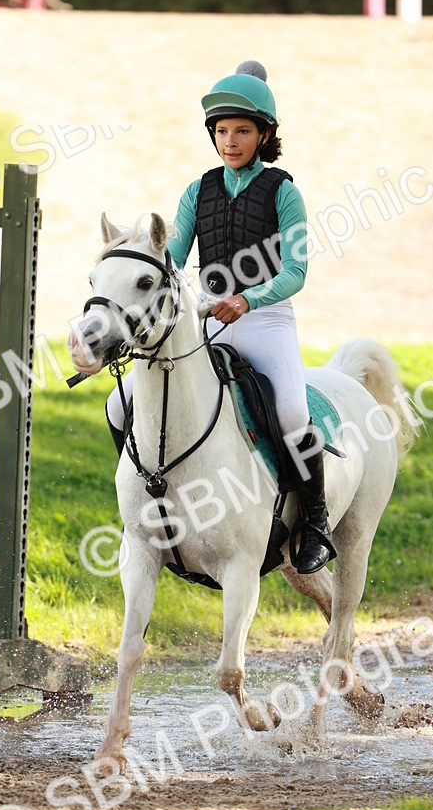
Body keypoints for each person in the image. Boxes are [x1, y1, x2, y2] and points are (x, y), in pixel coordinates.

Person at [105, 60, 336, 576]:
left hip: (266, 319)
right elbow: (173, 259)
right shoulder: (197, 191)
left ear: (264, 134)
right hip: (206, 317)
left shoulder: (283, 192)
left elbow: (296, 270)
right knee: (119, 405)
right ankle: (143, 504)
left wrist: (248, 300)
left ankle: (314, 520)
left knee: (294, 414)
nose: (230, 141)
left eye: (242, 131)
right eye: (222, 131)